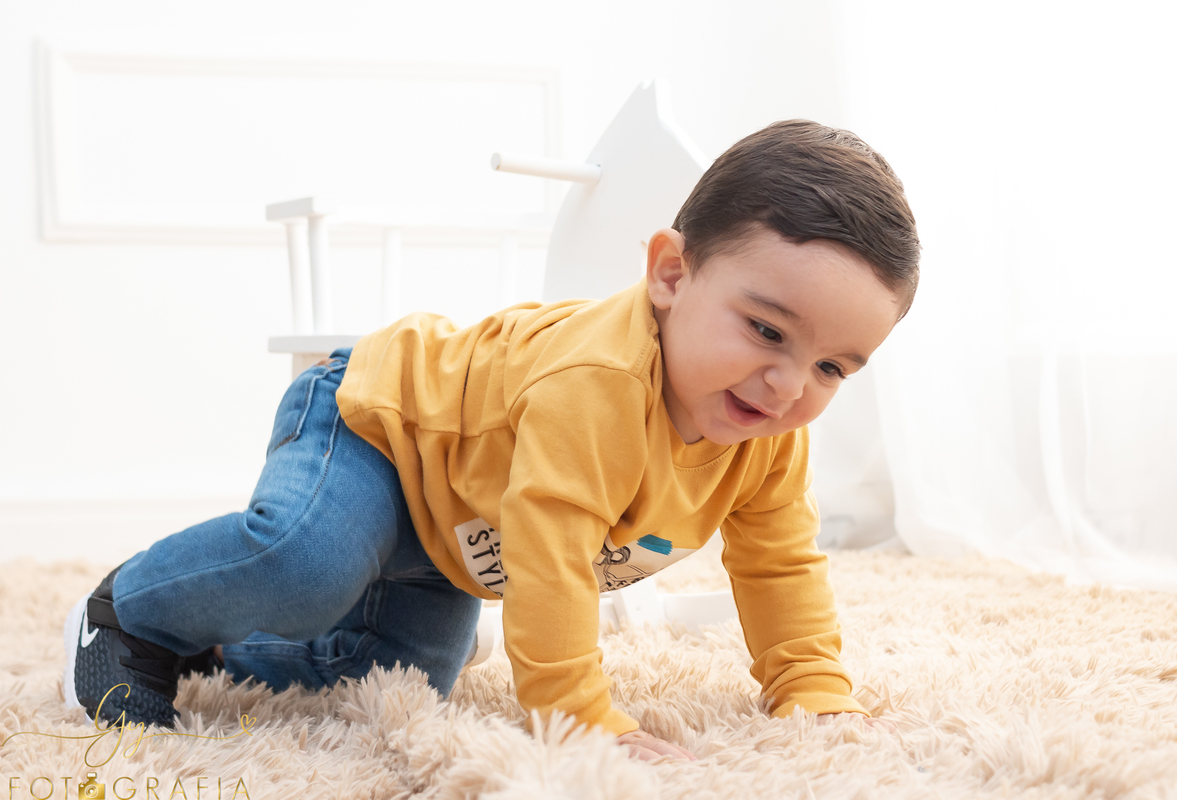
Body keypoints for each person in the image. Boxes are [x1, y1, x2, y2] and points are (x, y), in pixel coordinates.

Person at [62, 120, 919, 763]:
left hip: (459, 533)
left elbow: (780, 567)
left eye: (834, 367)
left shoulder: (768, 435)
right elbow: (550, 562)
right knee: (307, 563)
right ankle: (128, 614)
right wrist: (579, 719)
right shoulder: (599, 386)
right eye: (768, 330)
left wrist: (810, 686)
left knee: (403, 677)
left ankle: (213, 635)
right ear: (670, 274)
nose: (788, 386)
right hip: (382, 426)